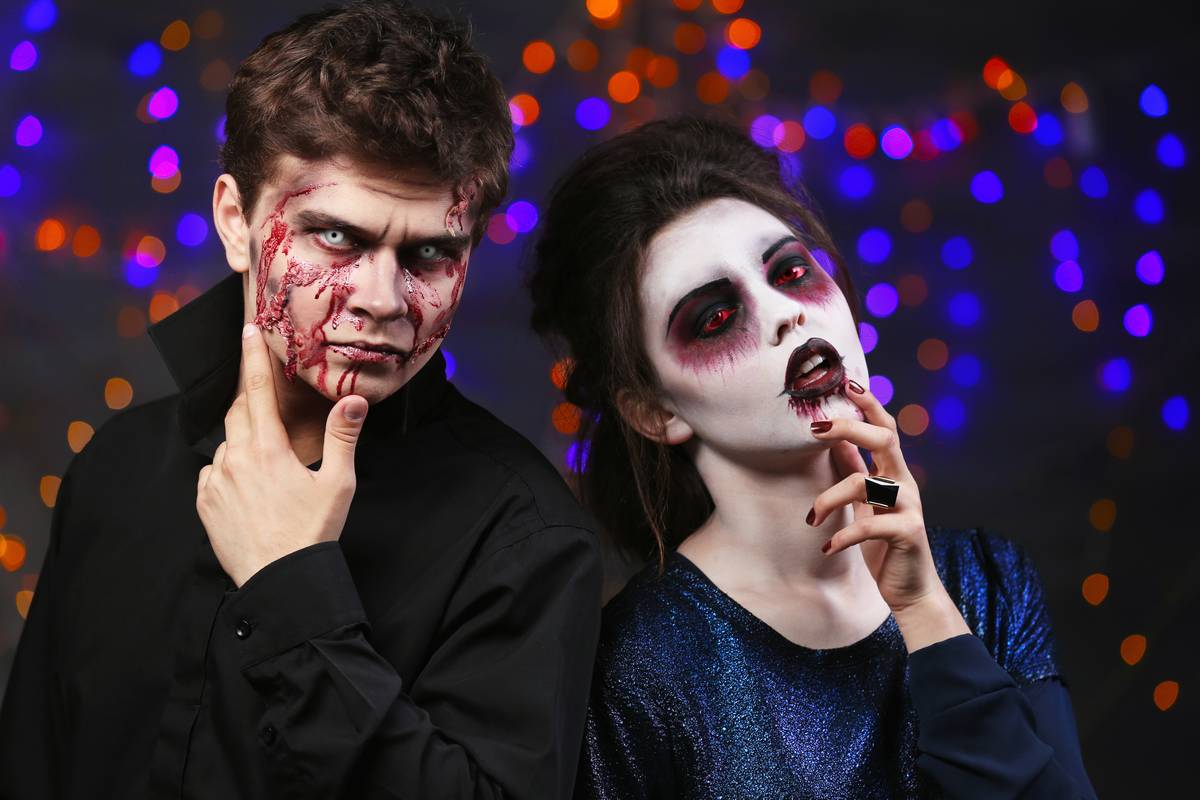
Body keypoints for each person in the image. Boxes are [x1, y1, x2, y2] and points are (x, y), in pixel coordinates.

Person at [0, 3, 601, 798]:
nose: (383, 299)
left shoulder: (526, 544)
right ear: (235, 222)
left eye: (429, 253)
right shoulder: (118, 467)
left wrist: (294, 587)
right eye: (338, 238)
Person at [527, 116, 1098, 799]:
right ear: (657, 411)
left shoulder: (987, 582)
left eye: (791, 272)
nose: (786, 314)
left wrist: (924, 610)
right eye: (714, 317)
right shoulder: (634, 673)